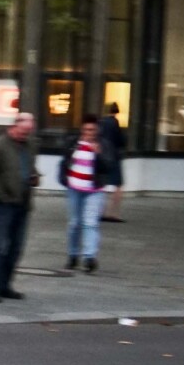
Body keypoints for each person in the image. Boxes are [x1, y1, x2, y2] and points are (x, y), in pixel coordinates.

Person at [0, 112, 39, 302]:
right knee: (0, 247)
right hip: (4, 204)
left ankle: (6, 284)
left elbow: (29, 167)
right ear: (14, 126)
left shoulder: (30, 146)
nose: (25, 135)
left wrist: (34, 176)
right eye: (23, 132)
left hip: (23, 202)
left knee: (16, 247)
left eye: (28, 132)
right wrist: (0, 195)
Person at [61, 114, 121, 272]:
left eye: (92, 129)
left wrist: (98, 154)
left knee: (90, 223)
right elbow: (65, 162)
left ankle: (89, 257)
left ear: (97, 130)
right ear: (82, 129)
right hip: (74, 188)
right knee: (74, 223)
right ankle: (73, 255)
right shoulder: (73, 142)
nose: (89, 132)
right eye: (87, 129)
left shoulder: (103, 144)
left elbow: (109, 166)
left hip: (94, 189)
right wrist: (64, 179)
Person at [99, 103, 129, 221]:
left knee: (101, 184)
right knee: (118, 185)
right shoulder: (114, 122)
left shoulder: (100, 122)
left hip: (102, 157)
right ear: (116, 111)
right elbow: (120, 140)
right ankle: (113, 213)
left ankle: (101, 211)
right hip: (114, 157)